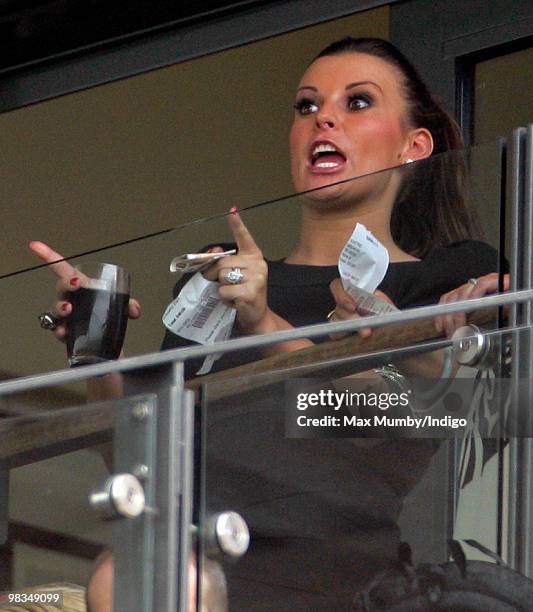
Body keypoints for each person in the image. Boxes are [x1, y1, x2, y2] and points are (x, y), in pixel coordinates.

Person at [31, 37, 505, 610]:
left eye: (357, 103)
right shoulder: (219, 277)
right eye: (307, 106)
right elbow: (134, 460)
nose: (323, 117)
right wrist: (96, 350)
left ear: (414, 145)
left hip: (327, 576)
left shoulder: (445, 277)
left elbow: (413, 416)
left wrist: (264, 325)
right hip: (179, 561)